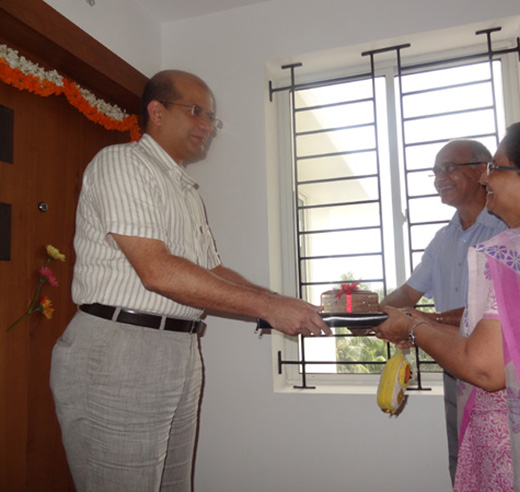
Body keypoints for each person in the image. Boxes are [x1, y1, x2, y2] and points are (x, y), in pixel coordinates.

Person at [50, 69, 331, 492]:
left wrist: (275, 298)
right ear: (156, 112)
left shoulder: (185, 189)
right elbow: (157, 270)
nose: (206, 126)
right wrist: (268, 309)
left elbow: (211, 270)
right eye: (196, 110)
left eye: (211, 118)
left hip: (181, 348)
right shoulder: (122, 163)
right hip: (120, 347)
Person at [374, 118, 520, 491]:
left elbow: (484, 368)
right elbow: (513, 339)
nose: (487, 179)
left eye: (496, 168)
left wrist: (413, 327)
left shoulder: (518, 248)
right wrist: (408, 317)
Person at [380, 139, 506, 483]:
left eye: (450, 167)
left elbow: (499, 309)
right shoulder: (442, 239)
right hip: (454, 366)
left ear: (483, 171)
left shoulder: (508, 231)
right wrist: (372, 316)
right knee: (462, 459)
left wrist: (418, 323)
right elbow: (407, 293)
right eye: (436, 170)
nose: (440, 177)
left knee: (504, 469)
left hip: (501, 374)